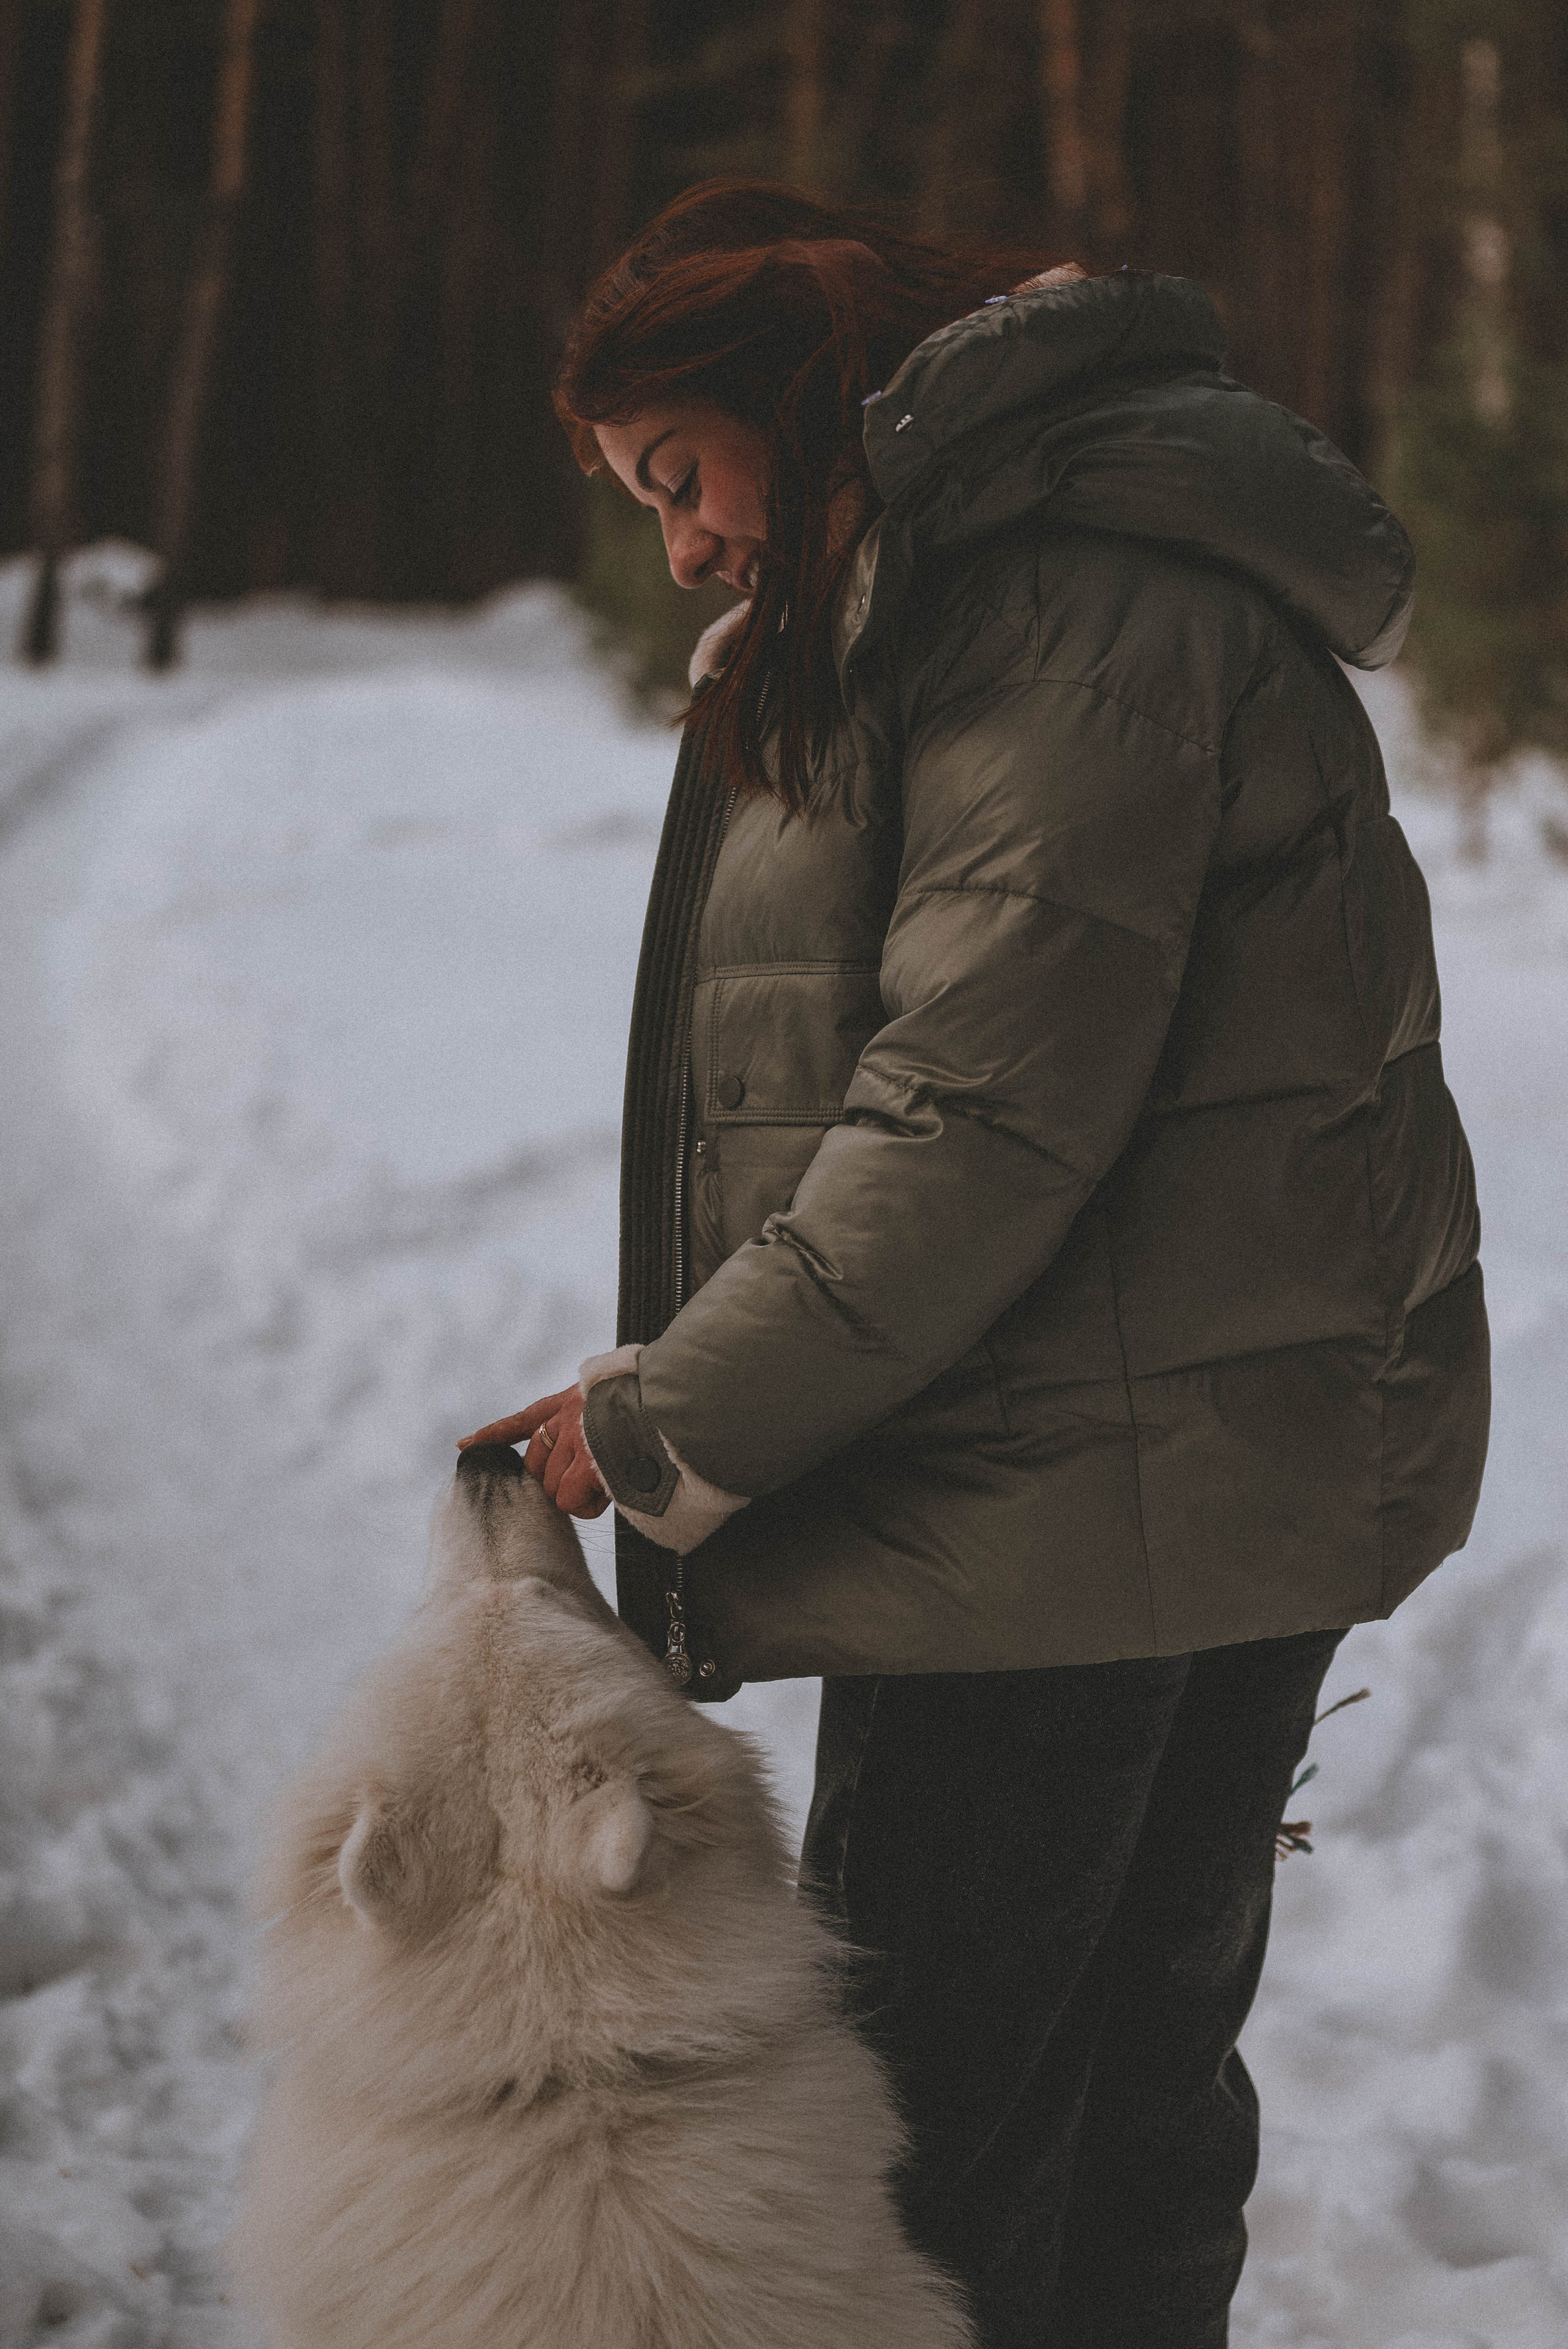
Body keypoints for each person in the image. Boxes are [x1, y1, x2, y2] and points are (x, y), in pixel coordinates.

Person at [459, 181, 1489, 2348]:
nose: (684, 546)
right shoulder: (1022, 575)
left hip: (1067, 1510)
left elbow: (975, 1117)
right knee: (1121, 2089)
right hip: (1189, 1474)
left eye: (681, 475)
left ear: (794, 393)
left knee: (932, 2139)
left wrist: (667, 1421)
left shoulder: (1054, 604)